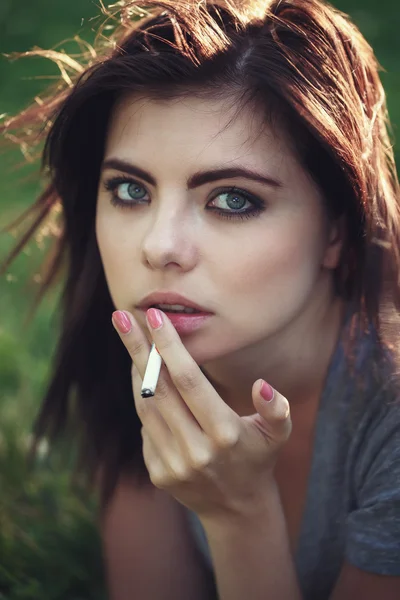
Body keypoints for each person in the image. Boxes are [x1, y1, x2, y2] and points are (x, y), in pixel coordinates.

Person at [1, 0, 400, 598]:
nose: (159, 248)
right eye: (130, 189)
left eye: (233, 199)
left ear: (337, 230)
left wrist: (238, 514)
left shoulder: (389, 421)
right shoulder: (144, 361)